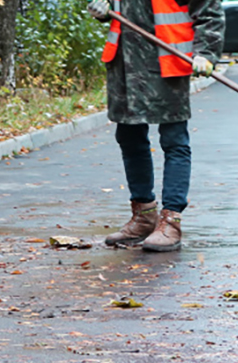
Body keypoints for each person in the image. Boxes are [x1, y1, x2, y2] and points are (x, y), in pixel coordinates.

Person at [87, 0, 224, 252]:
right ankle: (144, 216)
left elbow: (209, 13)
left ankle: (171, 221)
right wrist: (101, 9)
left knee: (174, 141)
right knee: (129, 138)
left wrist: (206, 53)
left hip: (167, 61)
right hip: (125, 65)